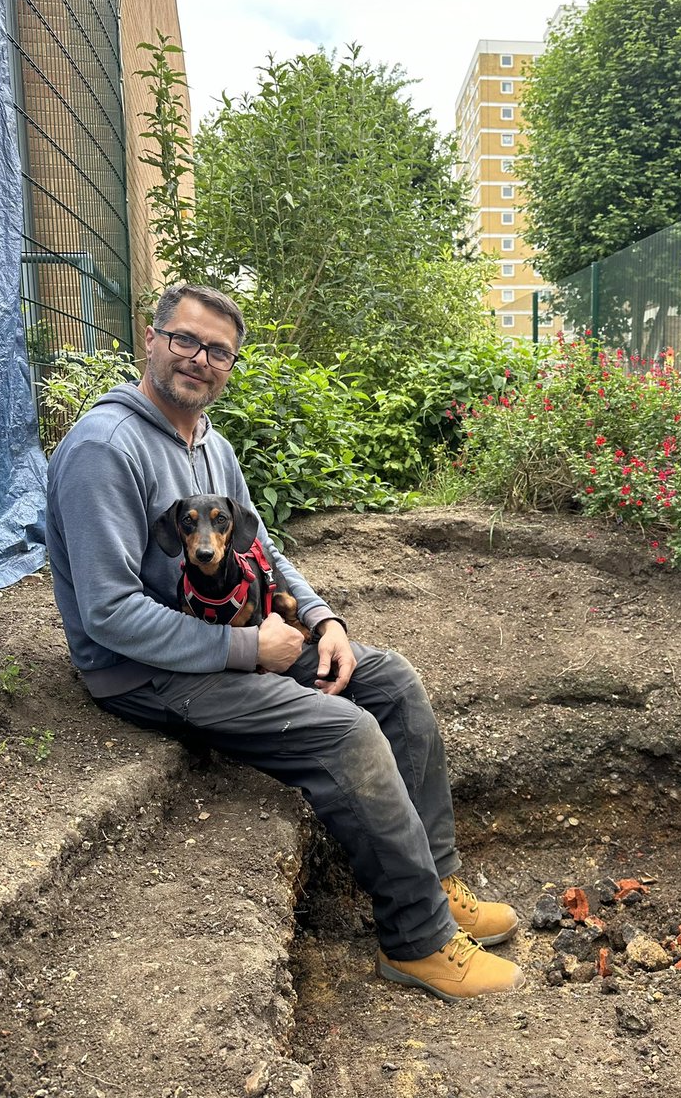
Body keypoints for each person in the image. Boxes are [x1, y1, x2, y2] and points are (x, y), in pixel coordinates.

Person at [46, 282, 524, 1002]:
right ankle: (418, 940)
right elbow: (109, 614)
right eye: (184, 339)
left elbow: (263, 550)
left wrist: (322, 618)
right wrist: (250, 652)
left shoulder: (211, 446)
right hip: (142, 672)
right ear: (151, 339)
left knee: (389, 680)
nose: (198, 359)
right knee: (346, 732)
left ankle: (434, 875)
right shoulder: (105, 451)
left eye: (218, 351)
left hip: (225, 636)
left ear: (230, 365)